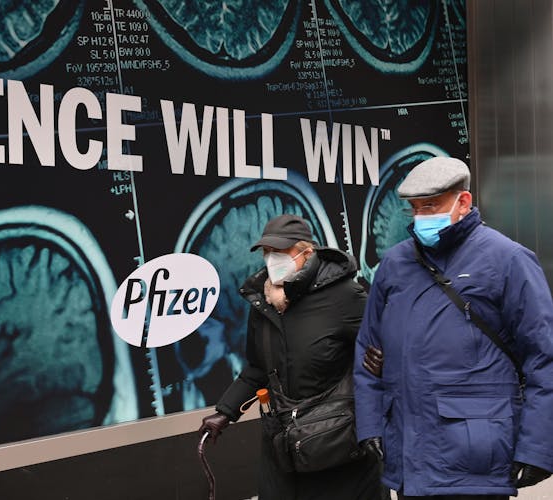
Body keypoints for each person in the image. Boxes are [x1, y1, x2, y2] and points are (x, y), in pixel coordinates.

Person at [354, 156, 553, 499]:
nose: (420, 218)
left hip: (476, 455)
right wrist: (370, 424)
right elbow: (368, 350)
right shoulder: (394, 263)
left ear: (463, 201)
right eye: (414, 209)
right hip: (408, 456)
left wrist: (537, 448)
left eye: (430, 206)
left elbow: (543, 357)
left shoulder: (509, 259)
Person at [199, 214, 385, 499]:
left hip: (337, 441)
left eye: (280, 252)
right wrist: (226, 411)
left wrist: (383, 364)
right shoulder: (262, 304)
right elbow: (257, 367)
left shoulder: (344, 296)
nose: (271, 259)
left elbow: (385, 344)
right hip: (283, 442)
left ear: (306, 253)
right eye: (267, 253)